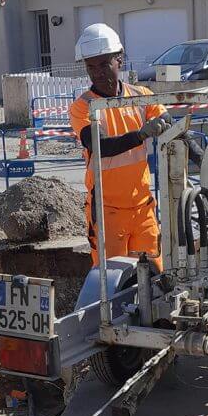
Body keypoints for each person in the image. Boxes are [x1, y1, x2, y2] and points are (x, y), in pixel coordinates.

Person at [69, 23, 172, 268]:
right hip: (108, 212)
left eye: (104, 64)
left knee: (155, 276)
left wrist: (161, 123)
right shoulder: (83, 107)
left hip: (143, 207)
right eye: (91, 67)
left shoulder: (141, 96)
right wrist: (140, 134)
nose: (98, 73)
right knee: (112, 282)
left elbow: (167, 118)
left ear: (120, 61)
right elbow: (100, 145)